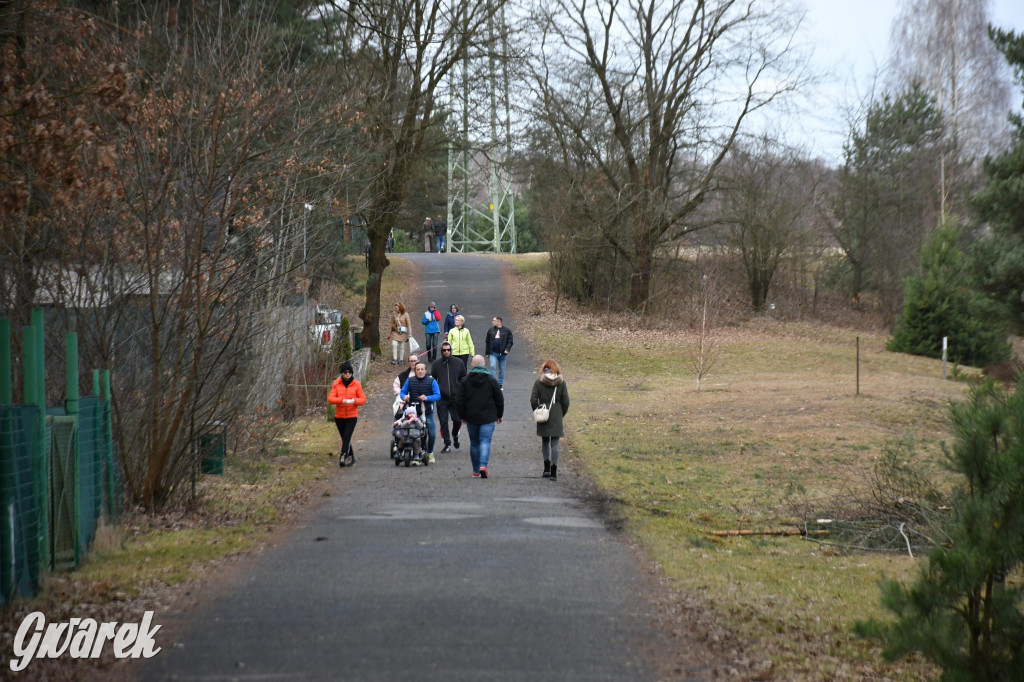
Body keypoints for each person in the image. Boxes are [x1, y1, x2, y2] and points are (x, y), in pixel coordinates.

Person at [455, 355, 503, 478]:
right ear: (484, 364)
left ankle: (476, 470)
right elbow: (499, 399)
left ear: (472, 365)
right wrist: (499, 414)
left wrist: (462, 416)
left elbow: (459, 401)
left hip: (471, 417)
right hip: (488, 416)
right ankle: (483, 465)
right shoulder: (492, 380)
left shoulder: (465, 381)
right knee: (485, 441)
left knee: (474, 443)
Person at [530, 359, 571, 481]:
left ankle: (546, 468)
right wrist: (561, 413)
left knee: (545, 441)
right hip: (557, 413)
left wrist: (537, 410)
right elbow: (566, 401)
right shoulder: (561, 383)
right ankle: (554, 471)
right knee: (555, 443)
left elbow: (533, 400)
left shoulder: (539, 383)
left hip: (543, 413)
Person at [327, 361, 367, 468]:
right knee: (345, 438)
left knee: (347, 436)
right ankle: (351, 457)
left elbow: (363, 399)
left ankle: (343, 456)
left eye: (350, 372)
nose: (348, 374)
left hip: (352, 415)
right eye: (345, 372)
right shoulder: (336, 383)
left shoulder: (356, 384)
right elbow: (331, 399)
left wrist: (354, 401)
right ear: (342, 373)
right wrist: (342, 400)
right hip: (339, 416)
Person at [400, 361, 440, 463]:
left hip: (427, 412)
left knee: (432, 434)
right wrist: (404, 396)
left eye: (422, 369)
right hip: (413, 413)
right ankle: (415, 453)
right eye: (418, 369)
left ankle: (430, 452)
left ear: (425, 370)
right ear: (415, 370)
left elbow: (438, 395)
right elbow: (403, 392)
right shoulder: (410, 380)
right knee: (413, 434)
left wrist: (427, 398)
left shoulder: (432, 381)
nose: (420, 371)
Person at [431, 341, 466, 453]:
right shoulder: (436, 364)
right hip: (442, 398)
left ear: (451, 350)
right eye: (444, 350)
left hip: (455, 397)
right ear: (441, 351)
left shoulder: (458, 362)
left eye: (448, 350)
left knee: (457, 420)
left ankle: (455, 434)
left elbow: (463, 379)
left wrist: (462, 393)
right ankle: (447, 444)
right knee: (443, 421)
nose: (446, 351)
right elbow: (433, 380)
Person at [484, 316, 513, 389]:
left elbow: (510, 341)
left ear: (499, 322)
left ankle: (500, 384)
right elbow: (487, 342)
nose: (492, 322)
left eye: (494, 320)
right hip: (493, 352)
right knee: (492, 366)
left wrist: (507, 349)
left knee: (502, 369)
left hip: (503, 353)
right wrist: (487, 352)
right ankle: (494, 383)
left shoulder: (507, 331)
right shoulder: (490, 330)